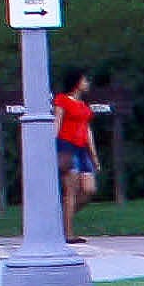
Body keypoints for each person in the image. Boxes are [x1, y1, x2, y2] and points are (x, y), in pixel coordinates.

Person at [53, 71, 99, 242]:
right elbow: (57, 123)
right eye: (85, 79)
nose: (87, 83)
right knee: (70, 191)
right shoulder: (62, 100)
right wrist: (54, 148)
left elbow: (87, 130)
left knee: (89, 189)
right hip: (67, 146)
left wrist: (94, 155)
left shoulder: (84, 106)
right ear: (77, 82)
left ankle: (60, 221)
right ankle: (68, 233)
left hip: (82, 148)